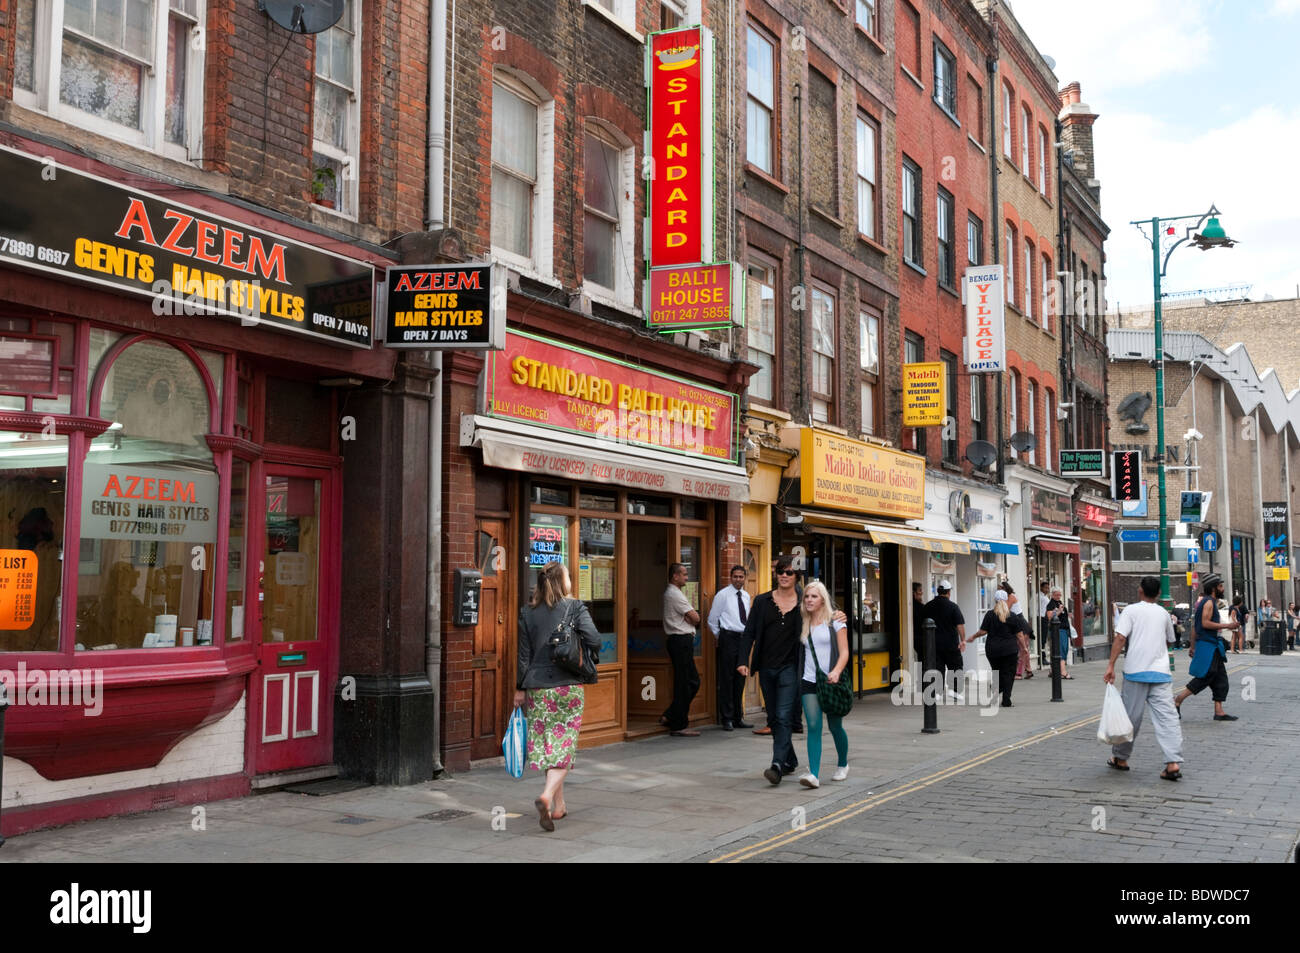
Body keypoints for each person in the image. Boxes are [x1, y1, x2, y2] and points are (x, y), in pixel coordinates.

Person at [515, 561, 602, 832]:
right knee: (564, 747)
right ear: (562, 581)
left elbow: (523, 656)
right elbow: (595, 639)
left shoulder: (527, 612)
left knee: (550, 746)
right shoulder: (574, 607)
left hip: (537, 689)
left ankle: (558, 806)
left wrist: (520, 688)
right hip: (567, 686)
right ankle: (546, 795)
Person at [1104, 575, 1184, 780]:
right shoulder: (1164, 614)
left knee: (1130, 717)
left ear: (1140, 590)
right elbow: (1169, 641)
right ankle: (1172, 762)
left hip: (1135, 671)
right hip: (1161, 673)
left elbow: (1120, 637)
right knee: (1167, 718)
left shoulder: (1130, 610)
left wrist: (1111, 665)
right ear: (1158, 594)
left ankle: (1121, 758)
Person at [739, 555, 804, 784]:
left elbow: (826, 615)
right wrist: (743, 660)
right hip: (766, 667)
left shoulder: (805, 601)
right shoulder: (762, 601)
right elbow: (749, 633)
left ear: (797, 576)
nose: (784, 576)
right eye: (780, 571)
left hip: (790, 667)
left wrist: (839, 615)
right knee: (775, 717)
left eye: (789, 572)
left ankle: (776, 765)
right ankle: (790, 760)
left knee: (784, 715)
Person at [796, 581, 851, 788]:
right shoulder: (802, 621)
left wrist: (836, 671)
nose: (809, 600)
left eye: (814, 596)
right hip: (809, 680)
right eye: (807, 597)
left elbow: (845, 651)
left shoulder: (835, 621)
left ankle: (843, 764)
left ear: (822, 600)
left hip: (831, 680)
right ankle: (814, 774)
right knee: (813, 726)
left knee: (835, 725)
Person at [1174, 574, 1239, 722]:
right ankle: (1177, 700)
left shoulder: (1205, 602)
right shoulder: (1209, 602)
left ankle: (1219, 711)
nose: (1223, 588)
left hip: (1211, 646)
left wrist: (1192, 645)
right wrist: (1228, 625)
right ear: (1214, 588)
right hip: (1208, 646)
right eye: (1221, 586)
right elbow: (1204, 623)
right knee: (1206, 676)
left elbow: (1195, 626)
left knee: (1220, 678)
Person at [707, 564, 753, 731]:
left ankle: (737, 717)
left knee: (740, 679)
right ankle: (726, 718)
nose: (738, 579)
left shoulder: (746, 596)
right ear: (731, 577)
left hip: (743, 639)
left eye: (741, 577)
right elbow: (712, 619)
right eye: (735, 576)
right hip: (728, 637)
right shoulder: (723, 595)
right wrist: (721, 637)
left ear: (745, 578)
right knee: (727, 679)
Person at [661, 562, 702, 736]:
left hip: (681, 641)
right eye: (684, 574)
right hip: (680, 641)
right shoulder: (674, 594)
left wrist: (690, 618)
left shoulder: (675, 593)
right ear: (675, 576)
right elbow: (696, 617)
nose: (686, 577)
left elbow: (692, 618)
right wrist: (690, 617)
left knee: (689, 681)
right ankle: (678, 724)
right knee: (687, 682)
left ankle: (671, 715)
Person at [971, 590, 1031, 707]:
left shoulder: (989, 614)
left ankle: (996, 690)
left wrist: (973, 636)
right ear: (1006, 600)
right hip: (1009, 649)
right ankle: (1006, 700)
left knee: (997, 673)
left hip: (993, 650)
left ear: (995, 600)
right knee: (1008, 674)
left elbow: (983, 631)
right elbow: (1019, 635)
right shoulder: (1012, 616)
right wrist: (1024, 648)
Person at [923, 583, 966, 700]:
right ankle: (955, 691)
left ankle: (937, 692)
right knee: (956, 667)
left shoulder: (928, 606)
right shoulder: (953, 607)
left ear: (938, 591)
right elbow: (960, 625)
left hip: (934, 643)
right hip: (951, 643)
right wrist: (963, 640)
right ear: (948, 592)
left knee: (937, 667)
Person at [1002, 582, 1033, 679]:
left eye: (1001, 590)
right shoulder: (1008, 597)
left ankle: (1018, 673)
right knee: (1024, 648)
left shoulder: (1011, 597)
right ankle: (1028, 670)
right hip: (1017, 624)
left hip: (1020, 624)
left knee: (1021, 649)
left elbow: (1005, 610)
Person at [1046, 586, 1072, 679]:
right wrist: (1060, 611)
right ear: (1052, 595)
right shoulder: (1051, 604)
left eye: (1060, 595)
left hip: (1063, 629)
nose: (1059, 596)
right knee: (1061, 650)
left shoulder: (1059, 602)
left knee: (1062, 649)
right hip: (1058, 630)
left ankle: (1053, 670)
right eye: (1057, 595)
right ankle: (1063, 672)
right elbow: (1050, 617)